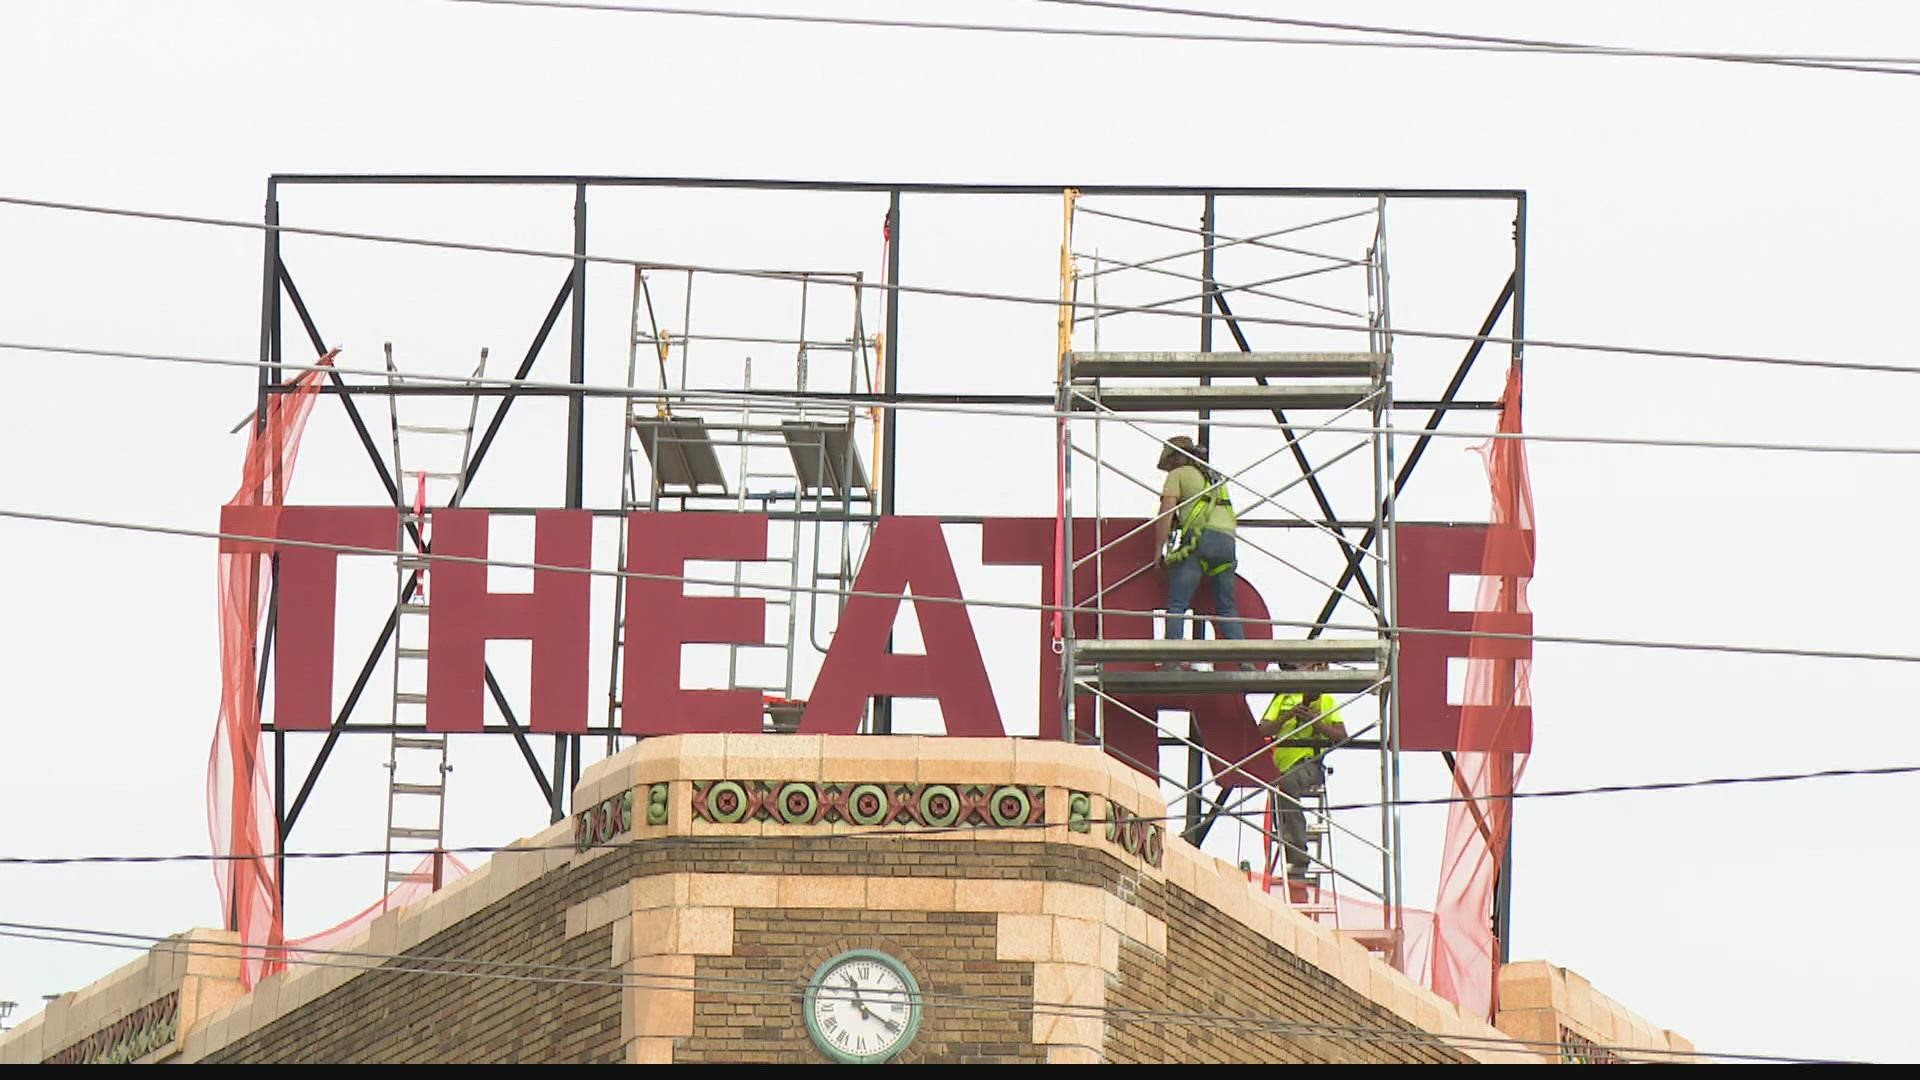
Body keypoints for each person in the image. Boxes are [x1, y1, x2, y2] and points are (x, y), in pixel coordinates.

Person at [1151, 435, 1244, 643]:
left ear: (1174, 458)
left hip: (1200, 539)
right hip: (1227, 542)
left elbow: (1166, 512)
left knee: (1177, 604)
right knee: (1227, 608)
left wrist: (1159, 549)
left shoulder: (1178, 474)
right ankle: (1245, 662)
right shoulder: (1214, 479)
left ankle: (1172, 660)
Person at [1258, 664, 1347, 878]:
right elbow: (1262, 730)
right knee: (1283, 788)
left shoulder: (1326, 700)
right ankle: (1291, 846)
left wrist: (1316, 723)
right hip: (1281, 767)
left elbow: (1342, 736)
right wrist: (1288, 715)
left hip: (1310, 764)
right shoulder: (1284, 697)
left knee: (1287, 784)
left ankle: (1298, 854)